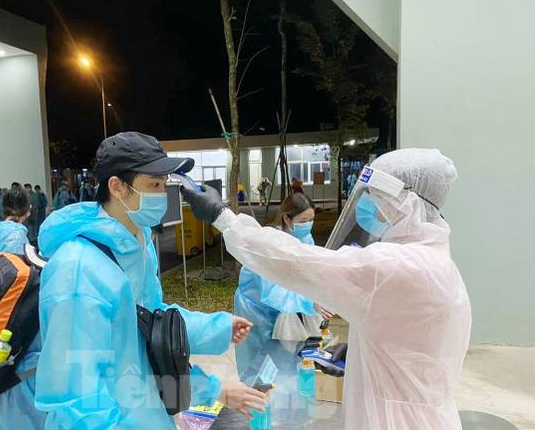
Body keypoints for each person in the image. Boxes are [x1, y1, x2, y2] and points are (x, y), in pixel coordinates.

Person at [181, 148, 472, 430]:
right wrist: (364, 345)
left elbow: (295, 262)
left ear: (408, 202)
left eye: (381, 202)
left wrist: (224, 218)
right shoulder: (438, 263)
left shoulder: (398, 265)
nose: (373, 209)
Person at [34, 132, 265, 430]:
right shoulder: (78, 271)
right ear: (117, 187)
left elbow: (152, 328)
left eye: (165, 184)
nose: (162, 194)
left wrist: (217, 333)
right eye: (154, 184)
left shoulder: (137, 244)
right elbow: (74, 397)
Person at [233, 193, 334, 375]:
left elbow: (308, 268)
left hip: (283, 303)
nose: (308, 225)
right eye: (304, 220)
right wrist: (309, 301)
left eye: (311, 219)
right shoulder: (270, 245)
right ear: (287, 218)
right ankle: (251, 396)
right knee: (256, 359)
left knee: (282, 355)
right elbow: (274, 292)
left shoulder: (305, 238)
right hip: (256, 307)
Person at [0, 187, 46, 429]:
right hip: (8, 317)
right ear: (28, 210)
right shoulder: (16, 236)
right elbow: (16, 284)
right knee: (14, 379)